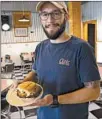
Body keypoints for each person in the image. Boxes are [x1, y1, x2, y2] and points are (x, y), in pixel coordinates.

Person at [13, 2, 101, 119]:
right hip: (43, 115)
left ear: (67, 16)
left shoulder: (82, 48)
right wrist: (23, 82)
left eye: (56, 13)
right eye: (44, 14)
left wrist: (55, 99)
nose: (50, 20)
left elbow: (94, 91)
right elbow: (35, 72)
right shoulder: (40, 47)